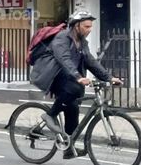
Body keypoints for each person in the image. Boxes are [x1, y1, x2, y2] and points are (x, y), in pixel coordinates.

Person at [30, 9, 122, 159]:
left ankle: (68, 147)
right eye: (86, 27)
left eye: (90, 27)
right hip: (51, 76)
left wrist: (108, 78)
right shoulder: (62, 38)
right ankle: (49, 115)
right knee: (74, 87)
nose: (89, 30)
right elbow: (64, 59)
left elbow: (90, 62)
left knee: (73, 108)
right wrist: (78, 77)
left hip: (68, 77)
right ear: (76, 26)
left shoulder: (82, 43)